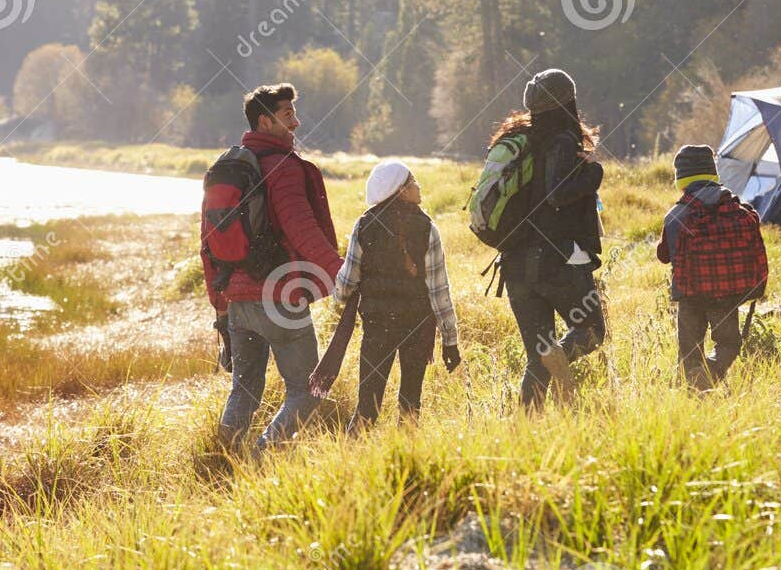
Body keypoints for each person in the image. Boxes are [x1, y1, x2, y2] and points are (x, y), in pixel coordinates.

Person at [204, 83, 344, 452]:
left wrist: (219, 303)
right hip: (279, 300)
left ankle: (226, 463)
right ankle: (262, 455)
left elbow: (207, 244)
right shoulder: (282, 168)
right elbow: (302, 228)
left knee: (244, 390)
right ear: (265, 121)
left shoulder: (226, 168)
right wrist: (342, 272)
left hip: (237, 301)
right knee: (309, 389)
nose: (296, 123)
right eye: (287, 116)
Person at [491, 68, 606, 408]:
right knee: (591, 332)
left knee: (538, 356)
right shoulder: (563, 140)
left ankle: (527, 432)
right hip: (556, 261)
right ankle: (557, 359)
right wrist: (594, 173)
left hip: (513, 265)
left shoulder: (520, 142)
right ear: (569, 100)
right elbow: (558, 193)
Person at [328, 160, 462, 430]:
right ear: (400, 191)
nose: (418, 186)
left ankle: (353, 461)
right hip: (418, 327)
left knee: (367, 405)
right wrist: (450, 340)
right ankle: (406, 462)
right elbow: (439, 291)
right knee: (411, 404)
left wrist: (338, 296)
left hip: (377, 327)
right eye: (413, 182)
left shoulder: (364, 225)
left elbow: (345, 286)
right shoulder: (427, 228)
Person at [655, 144, 767, 390]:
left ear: (680, 180)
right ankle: (712, 372)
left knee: (689, 348)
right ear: (713, 174)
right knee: (729, 344)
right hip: (726, 296)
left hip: (689, 295)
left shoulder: (677, 214)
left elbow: (664, 256)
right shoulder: (737, 209)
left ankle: (694, 390)